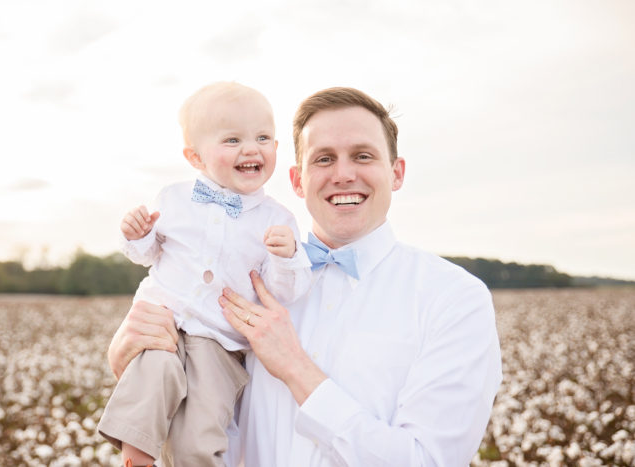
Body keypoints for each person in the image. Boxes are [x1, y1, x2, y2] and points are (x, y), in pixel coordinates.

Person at [107, 86, 503, 466]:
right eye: (324, 159)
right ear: (297, 180)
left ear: (396, 173)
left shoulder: (453, 298)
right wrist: (134, 357)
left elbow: (428, 461)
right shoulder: (243, 282)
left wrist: (296, 368)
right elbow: (210, 437)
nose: (344, 174)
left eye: (363, 156)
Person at [98, 82, 312, 467]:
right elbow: (149, 254)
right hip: (164, 318)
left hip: (220, 341)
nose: (251, 148)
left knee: (204, 423)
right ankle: (137, 455)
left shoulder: (278, 220)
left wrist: (288, 257)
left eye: (263, 137)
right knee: (154, 374)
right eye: (232, 140)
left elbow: (283, 292)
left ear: (277, 149)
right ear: (195, 157)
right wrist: (137, 233)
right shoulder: (173, 199)